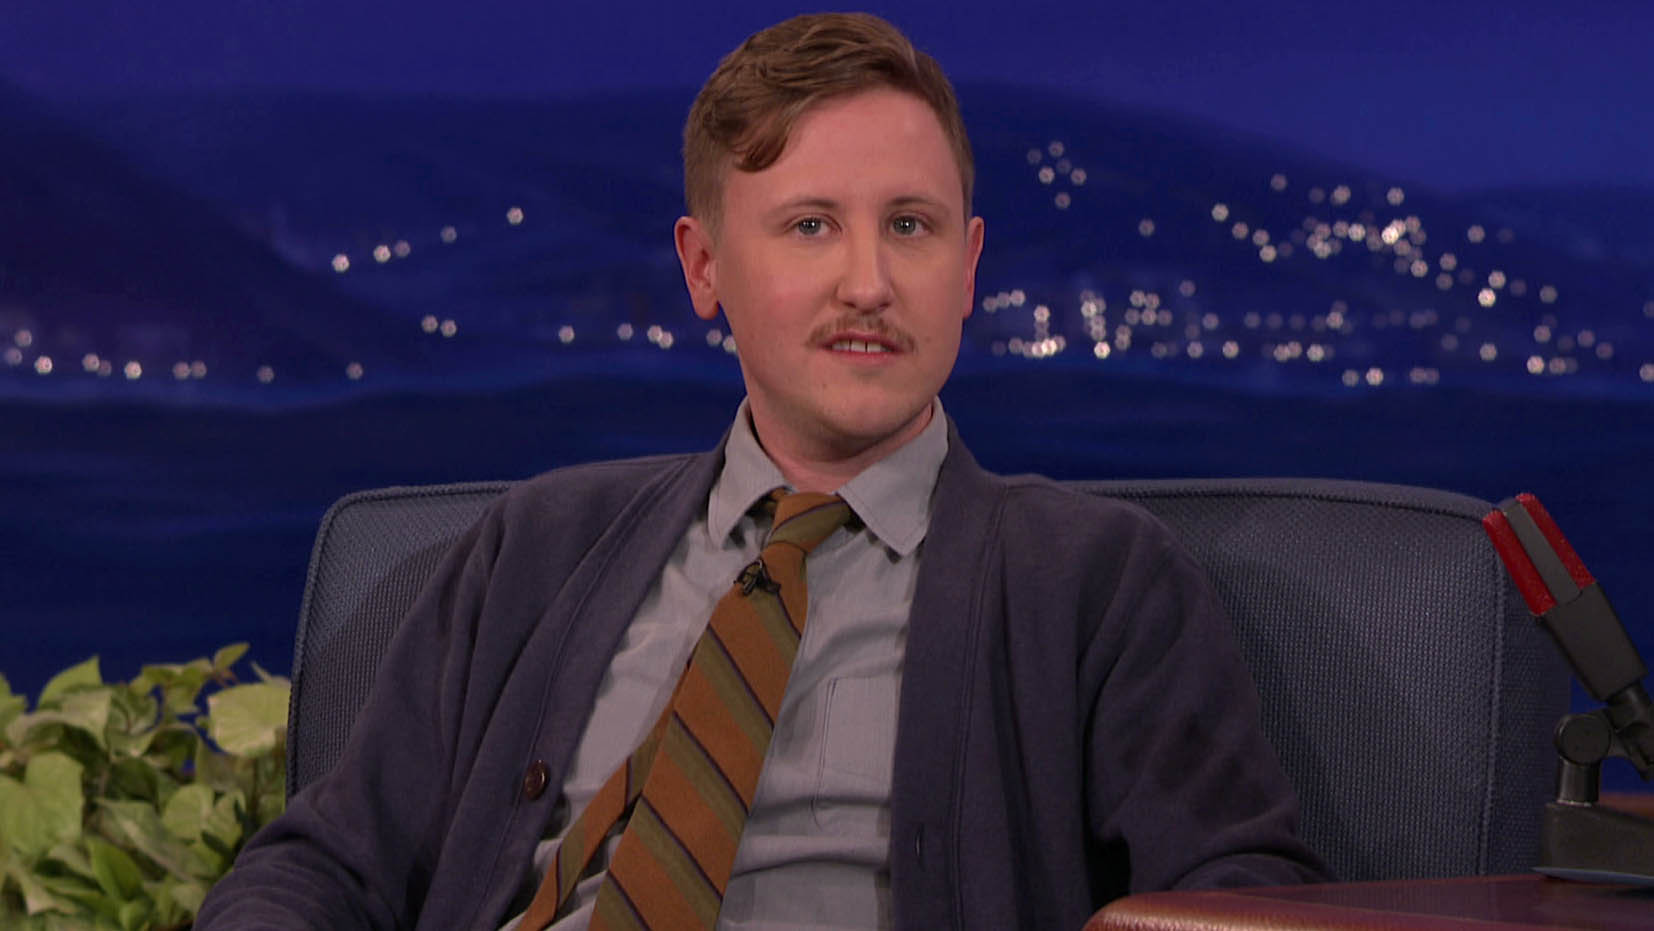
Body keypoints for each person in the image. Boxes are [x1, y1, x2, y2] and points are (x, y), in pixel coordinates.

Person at [198, 12, 1324, 930]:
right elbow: (323, 867)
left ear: (969, 267)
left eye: (912, 226)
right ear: (704, 268)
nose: (869, 282)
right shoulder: (537, 546)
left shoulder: (1096, 580)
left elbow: (1243, 901)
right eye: (810, 226)